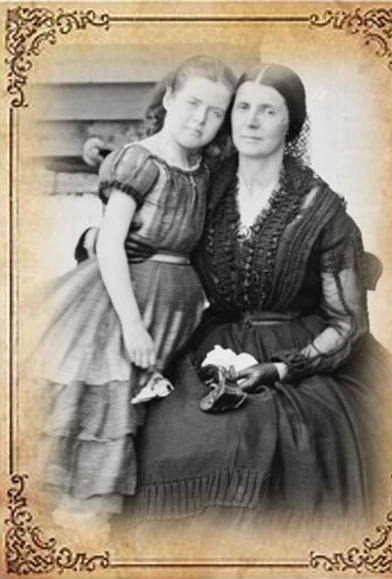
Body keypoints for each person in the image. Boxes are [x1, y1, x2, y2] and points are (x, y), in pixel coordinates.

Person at [118, 63, 392, 531]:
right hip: (212, 344)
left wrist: (282, 368)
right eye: (242, 107)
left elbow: (347, 324)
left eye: (267, 111)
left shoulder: (322, 210)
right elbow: (153, 237)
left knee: (260, 435)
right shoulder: (203, 187)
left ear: (291, 123)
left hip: (301, 353)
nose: (250, 121)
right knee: (168, 432)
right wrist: (102, 239)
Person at [32, 55, 236, 536]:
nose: (200, 120)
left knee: (155, 419)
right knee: (109, 412)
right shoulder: (140, 160)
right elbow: (109, 243)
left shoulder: (202, 169)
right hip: (123, 307)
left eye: (214, 112)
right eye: (192, 104)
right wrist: (132, 326)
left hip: (176, 310)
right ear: (169, 98)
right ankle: (81, 531)